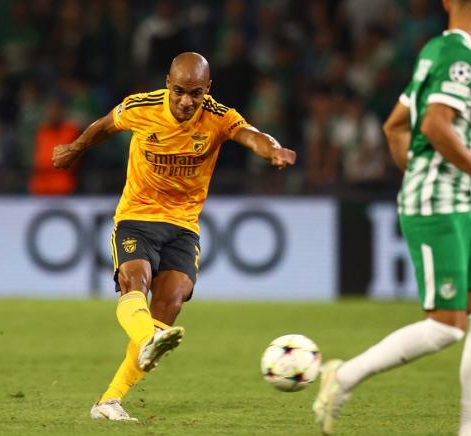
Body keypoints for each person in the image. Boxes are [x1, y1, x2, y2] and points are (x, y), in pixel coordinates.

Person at [52, 52, 296, 421]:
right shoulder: (141, 107)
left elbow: (251, 135)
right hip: (137, 216)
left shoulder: (217, 117)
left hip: (183, 226)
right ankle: (148, 337)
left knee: (172, 301)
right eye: (180, 91)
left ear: (207, 90)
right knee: (136, 280)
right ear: (167, 83)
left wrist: (273, 150)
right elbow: (104, 126)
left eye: (195, 94)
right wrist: (75, 149)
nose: (186, 101)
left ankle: (108, 401)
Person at [312, 1, 471, 435]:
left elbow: (394, 126)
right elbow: (434, 126)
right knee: (446, 327)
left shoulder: (437, 51)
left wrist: (421, 173)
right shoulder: (458, 56)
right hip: (442, 204)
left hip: (462, 202)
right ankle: (343, 376)